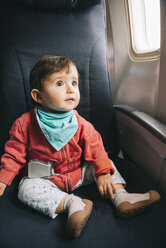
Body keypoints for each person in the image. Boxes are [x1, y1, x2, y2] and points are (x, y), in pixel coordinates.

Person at [0, 56, 160, 238]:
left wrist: (102, 173)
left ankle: (121, 197)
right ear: (38, 96)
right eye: (60, 83)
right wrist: (3, 180)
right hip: (45, 177)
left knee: (105, 163)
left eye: (74, 83)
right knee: (25, 188)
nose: (70, 89)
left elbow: (96, 149)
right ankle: (73, 204)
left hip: (78, 172)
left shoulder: (81, 124)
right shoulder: (24, 124)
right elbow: (13, 156)